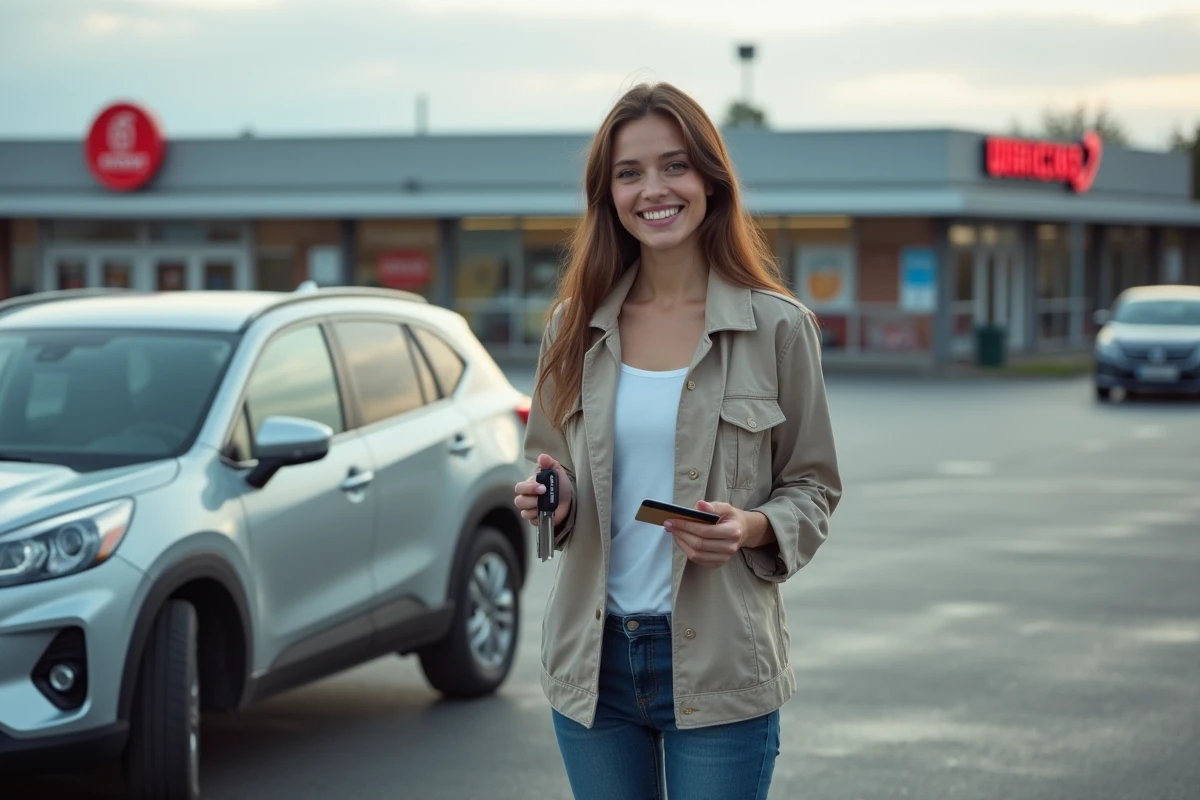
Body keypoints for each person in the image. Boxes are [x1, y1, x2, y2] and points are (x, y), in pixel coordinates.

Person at [514, 82, 842, 800]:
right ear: (608, 195)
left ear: (710, 182)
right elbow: (547, 462)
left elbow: (814, 487)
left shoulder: (778, 328)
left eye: (674, 166)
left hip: (720, 661)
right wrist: (553, 497)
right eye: (629, 173)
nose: (652, 190)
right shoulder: (571, 327)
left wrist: (752, 526)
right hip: (591, 662)